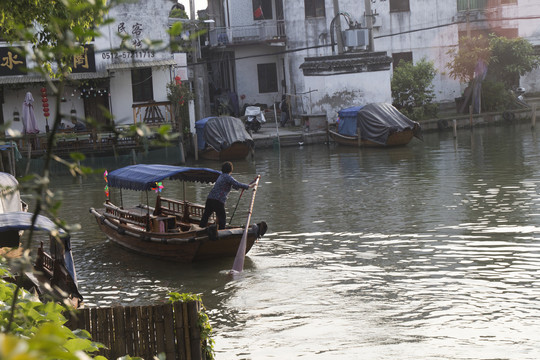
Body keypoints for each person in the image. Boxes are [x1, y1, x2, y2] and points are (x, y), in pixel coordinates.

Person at [199, 161, 254, 229]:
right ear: (230, 170)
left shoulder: (221, 176)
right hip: (218, 201)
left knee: (206, 216)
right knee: (222, 218)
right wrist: (249, 187)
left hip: (210, 199)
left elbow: (233, 185)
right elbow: (236, 184)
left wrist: (244, 187)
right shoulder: (227, 177)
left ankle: (200, 229)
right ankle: (221, 233)